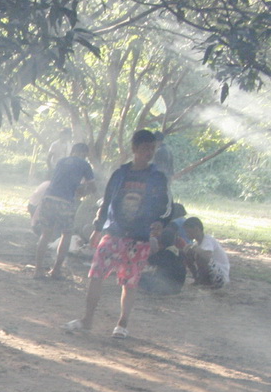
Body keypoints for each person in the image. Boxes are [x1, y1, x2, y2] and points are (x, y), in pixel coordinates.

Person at [64, 129, 169, 339]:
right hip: (114, 233)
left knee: (130, 283)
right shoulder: (120, 174)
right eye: (145, 148)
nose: (149, 152)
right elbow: (107, 202)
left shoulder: (157, 177)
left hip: (139, 237)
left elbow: (164, 206)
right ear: (134, 148)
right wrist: (97, 229)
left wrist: (160, 224)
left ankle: (122, 324)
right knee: (95, 276)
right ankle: (87, 319)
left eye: (152, 148)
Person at [33, 142, 95, 277]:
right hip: (65, 202)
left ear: (72, 151)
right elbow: (92, 187)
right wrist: (85, 192)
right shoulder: (85, 164)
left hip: (48, 199)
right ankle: (56, 270)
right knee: (66, 234)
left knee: (45, 234)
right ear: (85, 154)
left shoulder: (61, 161)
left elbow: (61, 180)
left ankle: (38, 270)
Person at [180, 216, 230, 288]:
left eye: (188, 232)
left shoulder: (207, 240)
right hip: (214, 273)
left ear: (196, 229)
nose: (186, 234)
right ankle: (198, 279)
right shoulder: (197, 243)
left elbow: (207, 256)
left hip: (220, 277)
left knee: (200, 256)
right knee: (189, 253)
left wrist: (194, 248)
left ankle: (205, 282)